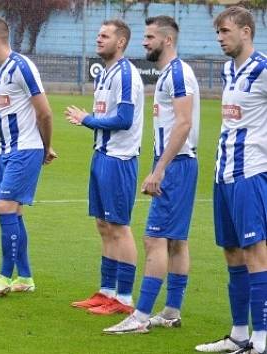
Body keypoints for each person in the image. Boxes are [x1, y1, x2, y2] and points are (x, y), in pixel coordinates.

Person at [103, 15, 200, 334]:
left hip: (176, 165)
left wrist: (159, 170)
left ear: (167, 40)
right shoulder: (169, 75)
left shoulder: (177, 73)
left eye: (149, 37)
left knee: (153, 238)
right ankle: (171, 311)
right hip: (179, 164)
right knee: (175, 242)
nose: (144, 42)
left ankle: (140, 316)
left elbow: (183, 124)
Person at [195, 7, 267, 354]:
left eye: (225, 31)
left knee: (256, 252)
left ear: (246, 31)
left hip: (251, 174)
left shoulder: (264, 70)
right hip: (223, 175)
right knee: (232, 253)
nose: (220, 38)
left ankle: (262, 338)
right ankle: (239, 334)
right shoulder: (227, 70)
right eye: (218, 33)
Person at [65, 19, 144, 315]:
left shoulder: (125, 74)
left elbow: (123, 119)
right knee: (103, 225)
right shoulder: (106, 74)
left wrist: (87, 120)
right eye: (98, 34)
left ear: (120, 42)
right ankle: (107, 291)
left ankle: (124, 298)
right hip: (101, 155)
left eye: (105, 36)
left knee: (120, 227)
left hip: (119, 160)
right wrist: (91, 122)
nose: (98, 39)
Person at [0, 17, 56, 296]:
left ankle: (4, 277)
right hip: (6, 150)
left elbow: (44, 112)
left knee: (5, 207)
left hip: (25, 148)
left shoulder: (22, 67)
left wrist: (46, 146)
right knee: (13, 212)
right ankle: (26, 277)